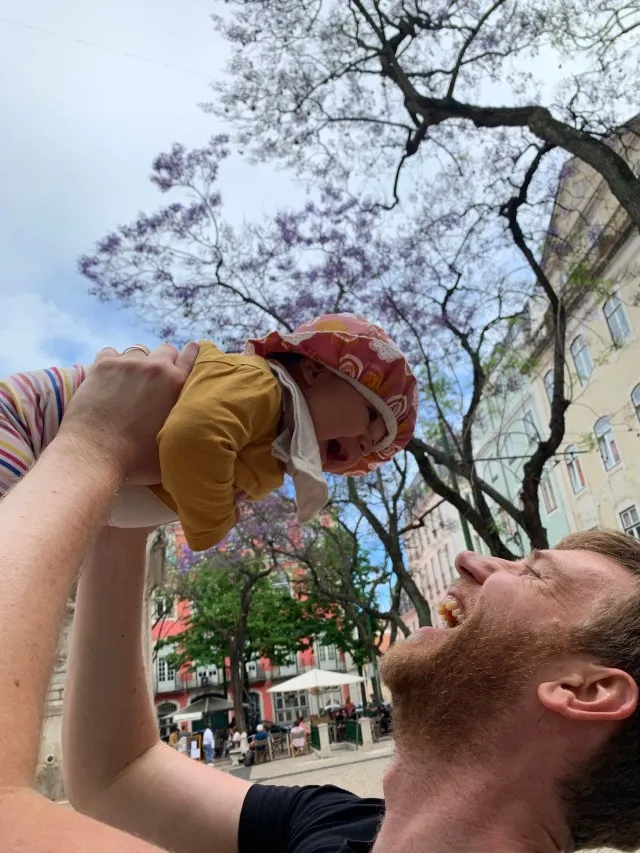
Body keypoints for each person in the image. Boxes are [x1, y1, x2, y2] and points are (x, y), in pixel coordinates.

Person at [6, 345, 640, 851]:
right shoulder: (336, 825)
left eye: (533, 574)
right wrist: (137, 503)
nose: (471, 559)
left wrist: (93, 444)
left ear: (586, 691)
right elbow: (120, 774)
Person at [0, 313, 417, 550]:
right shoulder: (263, 385)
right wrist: (214, 523)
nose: (367, 443)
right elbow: (192, 438)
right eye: (369, 415)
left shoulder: (270, 433)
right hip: (28, 419)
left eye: (374, 445)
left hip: (53, 459)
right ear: (312, 370)